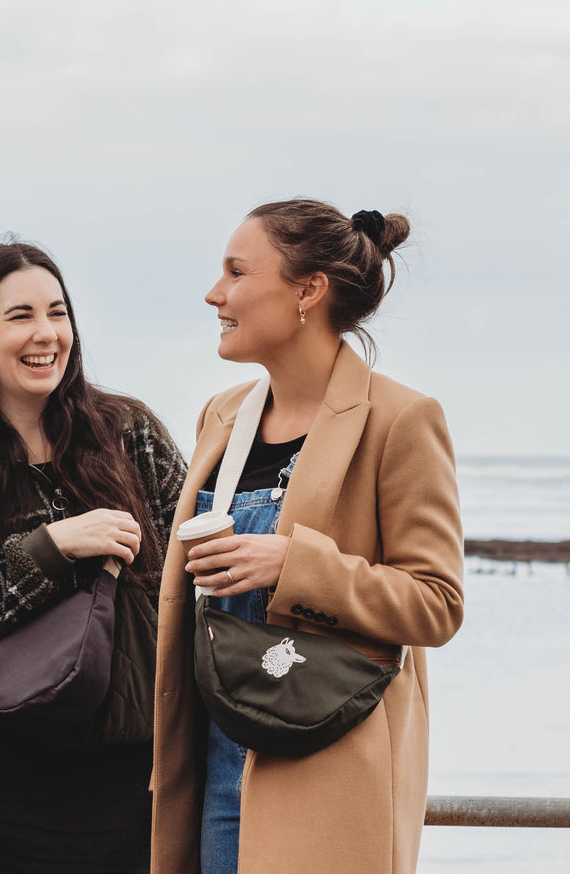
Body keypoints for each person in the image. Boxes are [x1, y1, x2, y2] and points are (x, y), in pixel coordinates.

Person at [151, 201, 465, 874]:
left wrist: (293, 563)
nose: (214, 293)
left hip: (327, 764)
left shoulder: (400, 419)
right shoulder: (221, 415)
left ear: (307, 290)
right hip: (213, 759)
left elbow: (436, 602)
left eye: (236, 272)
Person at [0, 241, 186, 874]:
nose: (46, 334)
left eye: (58, 313)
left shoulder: (131, 435)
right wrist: (50, 549)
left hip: (137, 776)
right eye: (21, 315)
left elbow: (190, 580)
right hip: (2, 787)